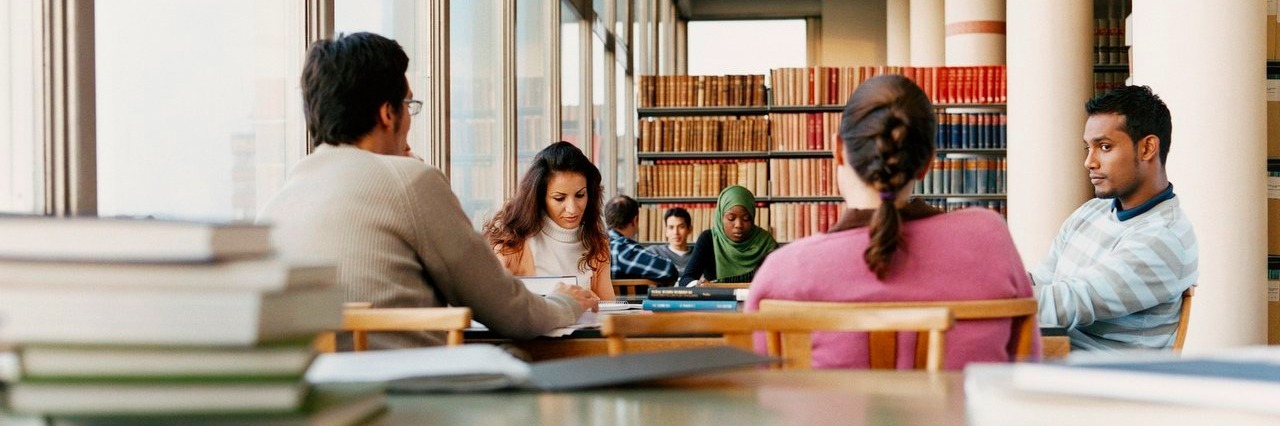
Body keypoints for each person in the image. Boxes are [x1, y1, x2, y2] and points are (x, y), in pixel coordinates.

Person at [257, 33, 597, 349]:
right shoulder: (412, 181)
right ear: (387, 113)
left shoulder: (279, 201)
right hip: (411, 389)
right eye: (408, 105)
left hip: (315, 391)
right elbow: (509, 311)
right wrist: (565, 303)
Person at [746, 74, 1040, 369]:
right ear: (926, 163)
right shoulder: (991, 238)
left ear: (838, 150)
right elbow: (1025, 372)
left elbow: (757, 392)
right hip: (968, 416)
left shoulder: (784, 271)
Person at [1033, 85, 1198, 351]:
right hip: (1054, 362)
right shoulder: (1089, 213)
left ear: (1147, 148)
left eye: (1105, 147)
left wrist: (980, 293)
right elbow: (1040, 282)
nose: (1089, 161)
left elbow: (1067, 303)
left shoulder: (1163, 239)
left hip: (1103, 382)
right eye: (1088, 148)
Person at [483, 142, 616, 300]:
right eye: (559, 198)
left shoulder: (598, 244)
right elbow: (489, 302)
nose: (572, 209)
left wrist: (596, 302)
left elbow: (608, 307)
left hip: (586, 325)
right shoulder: (512, 244)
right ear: (539, 198)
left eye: (580, 195)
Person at [677, 186, 778, 286]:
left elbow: (779, 280)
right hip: (716, 301)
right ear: (721, 217)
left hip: (755, 301)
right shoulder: (709, 239)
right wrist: (697, 284)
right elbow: (686, 279)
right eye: (731, 218)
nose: (738, 225)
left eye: (746, 218)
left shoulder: (766, 243)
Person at [603, 195, 679, 285]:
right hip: (625, 300)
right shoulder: (622, 249)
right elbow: (669, 270)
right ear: (635, 220)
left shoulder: (592, 244)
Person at [649, 207, 695, 275]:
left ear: (689, 229)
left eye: (681, 227)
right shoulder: (654, 253)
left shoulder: (698, 255)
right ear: (666, 231)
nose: (676, 232)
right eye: (671, 227)